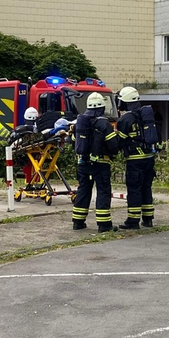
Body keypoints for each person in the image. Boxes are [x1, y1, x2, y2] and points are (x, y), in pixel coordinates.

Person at [72, 92, 118, 233]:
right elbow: (113, 146)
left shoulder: (80, 122)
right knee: (103, 191)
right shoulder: (104, 124)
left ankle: (78, 222)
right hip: (101, 164)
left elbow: (75, 141)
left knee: (83, 190)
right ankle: (104, 225)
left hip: (83, 163)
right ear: (101, 108)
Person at [116, 86, 156, 230]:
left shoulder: (126, 119)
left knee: (134, 190)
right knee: (146, 188)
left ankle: (132, 221)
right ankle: (148, 218)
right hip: (149, 158)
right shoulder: (146, 116)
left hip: (135, 160)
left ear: (124, 102)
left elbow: (119, 141)